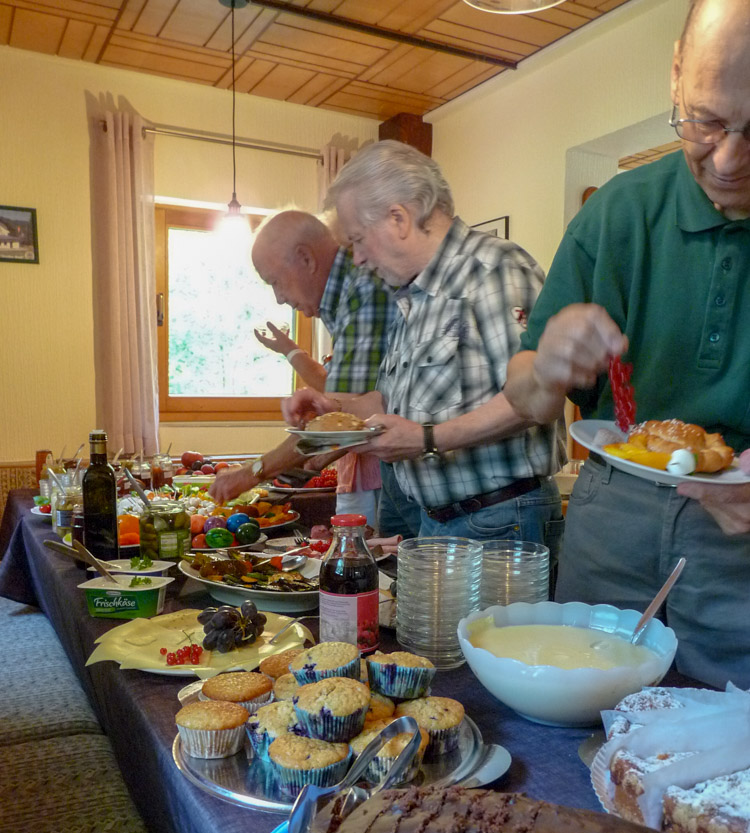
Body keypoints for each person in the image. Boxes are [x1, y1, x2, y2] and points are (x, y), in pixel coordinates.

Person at [504, 0, 750, 687]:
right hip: (611, 515)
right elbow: (524, 396)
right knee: (580, 714)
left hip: (742, 545)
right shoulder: (616, 212)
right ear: (676, 75)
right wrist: (546, 363)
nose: (729, 160)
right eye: (706, 121)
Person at [283, 140, 565, 555]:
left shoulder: (491, 271)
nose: (357, 258)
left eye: (358, 240)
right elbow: (394, 400)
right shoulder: (411, 295)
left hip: (499, 520)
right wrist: (334, 409)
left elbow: (536, 399)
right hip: (442, 519)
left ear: (399, 218)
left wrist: (427, 439)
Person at [209, 210, 421, 536]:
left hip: (420, 476)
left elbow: (338, 426)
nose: (279, 298)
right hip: (400, 473)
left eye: (275, 282)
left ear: (306, 258)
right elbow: (356, 406)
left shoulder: (361, 290)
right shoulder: (343, 298)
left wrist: (252, 472)